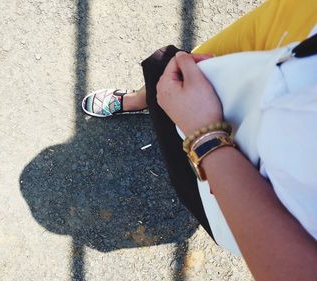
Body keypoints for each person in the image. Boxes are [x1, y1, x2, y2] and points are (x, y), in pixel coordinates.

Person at [82, 0, 317, 280]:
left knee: (183, 87)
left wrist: (205, 135)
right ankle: (140, 99)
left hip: (256, 174)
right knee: (183, 68)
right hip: (303, 21)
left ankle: (155, 104)